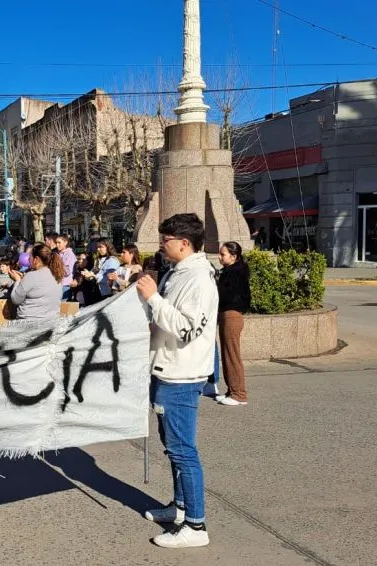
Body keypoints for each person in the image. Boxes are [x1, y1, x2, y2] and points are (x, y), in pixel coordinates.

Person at [136, 212, 218, 548]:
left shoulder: (197, 278)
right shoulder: (179, 272)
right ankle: (181, 507)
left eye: (165, 240)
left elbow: (186, 327)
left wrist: (154, 298)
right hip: (167, 368)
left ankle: (196, 527)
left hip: (180, 374)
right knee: (173, 448)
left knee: (183, 450)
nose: (161, 246)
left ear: (184, 243)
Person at [216, 241, 251, 406]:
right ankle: (232, 390)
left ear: (234, 256)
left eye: (223, 254)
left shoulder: (235, 273)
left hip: (232, 315)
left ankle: (239, 394)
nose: (220, 257)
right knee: (227, 354)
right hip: (227, 314)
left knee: (232, 355)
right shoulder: (230, 271)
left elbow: (226, 294)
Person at [10, 243, 64, 322]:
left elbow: (16, 299)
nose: (28, 260)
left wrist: (17, 281)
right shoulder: (57, 275)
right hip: (51, 322)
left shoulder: (31, 276)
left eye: (30, 257)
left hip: (29, 324)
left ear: (36, 259)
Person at [55, 234, 76, 300]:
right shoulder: (58, 253)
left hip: (66, 284)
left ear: (65, 243)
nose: (57, 245)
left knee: (64, 308)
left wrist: (58, 264)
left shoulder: (69, 254)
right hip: (58, 283)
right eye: (56, 242)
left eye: (59, 242)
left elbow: (67, 271)